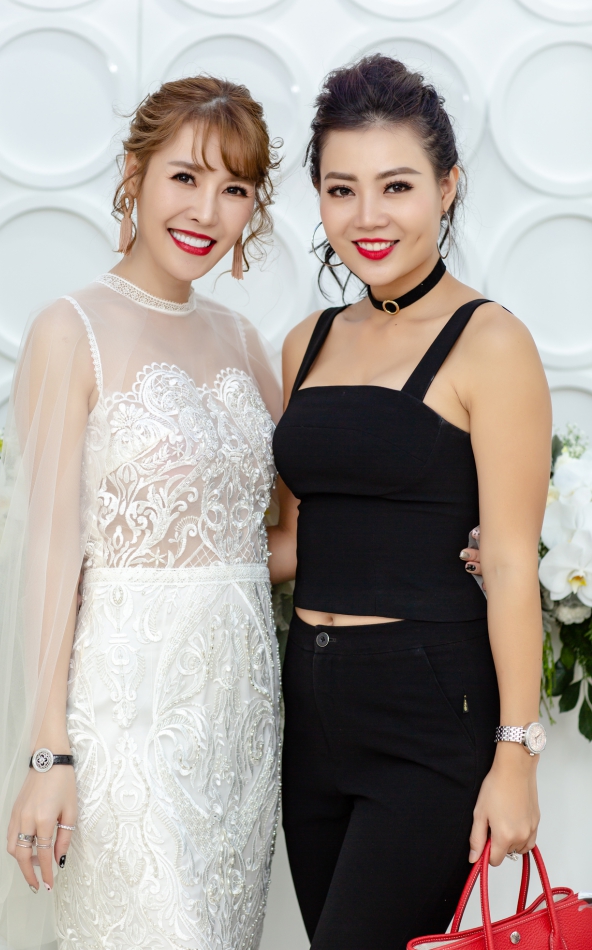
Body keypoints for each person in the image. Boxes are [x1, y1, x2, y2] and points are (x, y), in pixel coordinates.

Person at [0, 76, 284, 950]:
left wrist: (449, 536)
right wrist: (49, 751)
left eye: (235, 188)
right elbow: (50, 553)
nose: (206, 211)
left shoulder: (246, 343)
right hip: (121, 718)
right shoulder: (71, 330)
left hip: (240, 725)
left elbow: (280, 540)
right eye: (185, 177)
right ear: (133, 175)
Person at [269, 55, 551, 950]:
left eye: (396, 186)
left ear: (447, 186)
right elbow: (295, 541)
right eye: (341, 189)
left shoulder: (491, 342)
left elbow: (509, 560)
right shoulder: (306, 343)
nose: (368, 216)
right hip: (309, 707)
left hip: (428, 711)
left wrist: (516, 754)